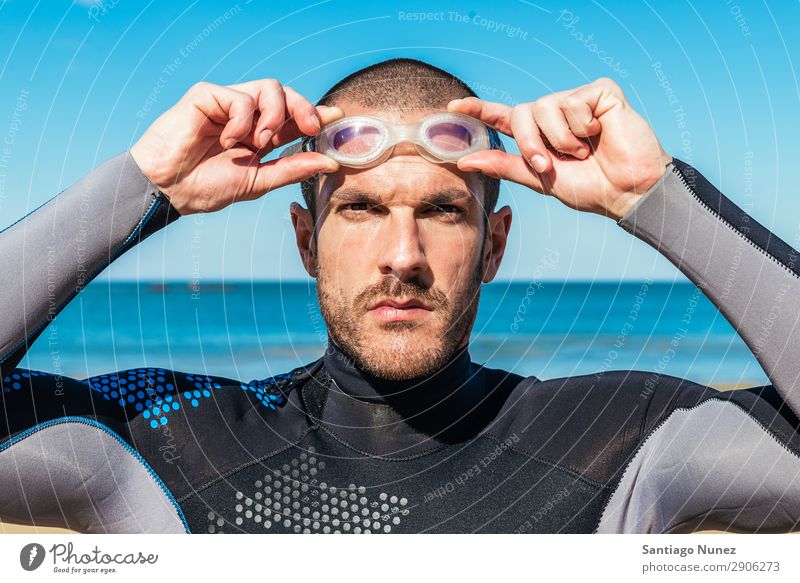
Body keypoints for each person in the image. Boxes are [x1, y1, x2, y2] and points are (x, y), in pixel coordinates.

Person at [1, 58, 799, 534]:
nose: (403, 256)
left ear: (494, 245)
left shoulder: (617, 440)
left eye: (445, 211)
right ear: (306, 243)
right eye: (361, 208)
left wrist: (656, 198)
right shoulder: (171, 442)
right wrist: (146, 186)